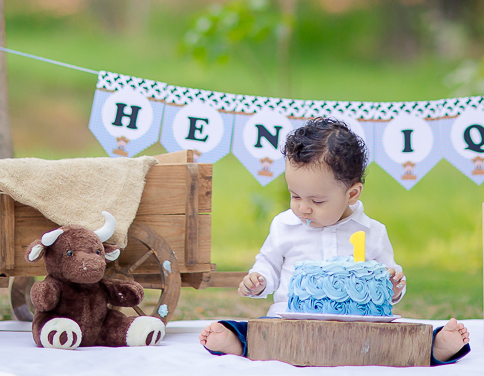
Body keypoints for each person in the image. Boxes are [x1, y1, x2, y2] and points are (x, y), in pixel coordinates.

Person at [199, 117, 470, 364]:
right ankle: (238, 341)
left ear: (352, 194)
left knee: (393, 339)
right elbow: (268, 263)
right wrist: (259, 280)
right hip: (291, 322)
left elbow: (388, 278)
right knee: (263, 331)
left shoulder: (372, 231)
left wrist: (395, 284)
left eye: (317, 200)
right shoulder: (284, 225)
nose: (303, 208)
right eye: (294, 195)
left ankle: (433, 347)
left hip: (358, 328)